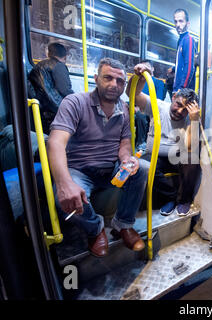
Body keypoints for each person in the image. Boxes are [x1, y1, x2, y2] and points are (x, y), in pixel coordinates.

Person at [47, 58, 149, 257]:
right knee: (62, 199)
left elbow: (125, 142)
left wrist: (126, 158)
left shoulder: (124, 110)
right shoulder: (75, 102)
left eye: (120, 81)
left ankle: (123, 225)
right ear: (96, 79)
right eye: (108, 78)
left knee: (142, 168)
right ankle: (96, 229)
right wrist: (64, 183)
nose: (114, 85)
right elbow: (55, 143)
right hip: (79, 169)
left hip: (110, 166)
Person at [128, 63, 201, 217]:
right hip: (154, 154)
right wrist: (140, 77)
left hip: (176, 157)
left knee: (192, 158)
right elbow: (132, 94)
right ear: (173, 97)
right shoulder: (158, 106)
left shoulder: (190, 118)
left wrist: (194, 121)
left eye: (185, 110)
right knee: (144, 166)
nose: (179, 112)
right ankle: (171, 197)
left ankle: (183, 200)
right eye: (178, 105)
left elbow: (189, 148)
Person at [28, 42, 74, 134]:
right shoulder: (59, 66)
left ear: (48, 53)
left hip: (41, 109)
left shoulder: (38, 66)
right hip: (54, 110)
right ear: (65, 57)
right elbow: (65, 90)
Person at [173, 8, 196, 93]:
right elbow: (181, 63)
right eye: (175, 21)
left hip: (182, 91)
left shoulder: (188, 39)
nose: (178, 24)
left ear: (188, 23)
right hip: (177, 89)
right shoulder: (180, 40)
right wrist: (173, 69)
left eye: (181, 21)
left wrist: (182, 90)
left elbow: (189, 67)